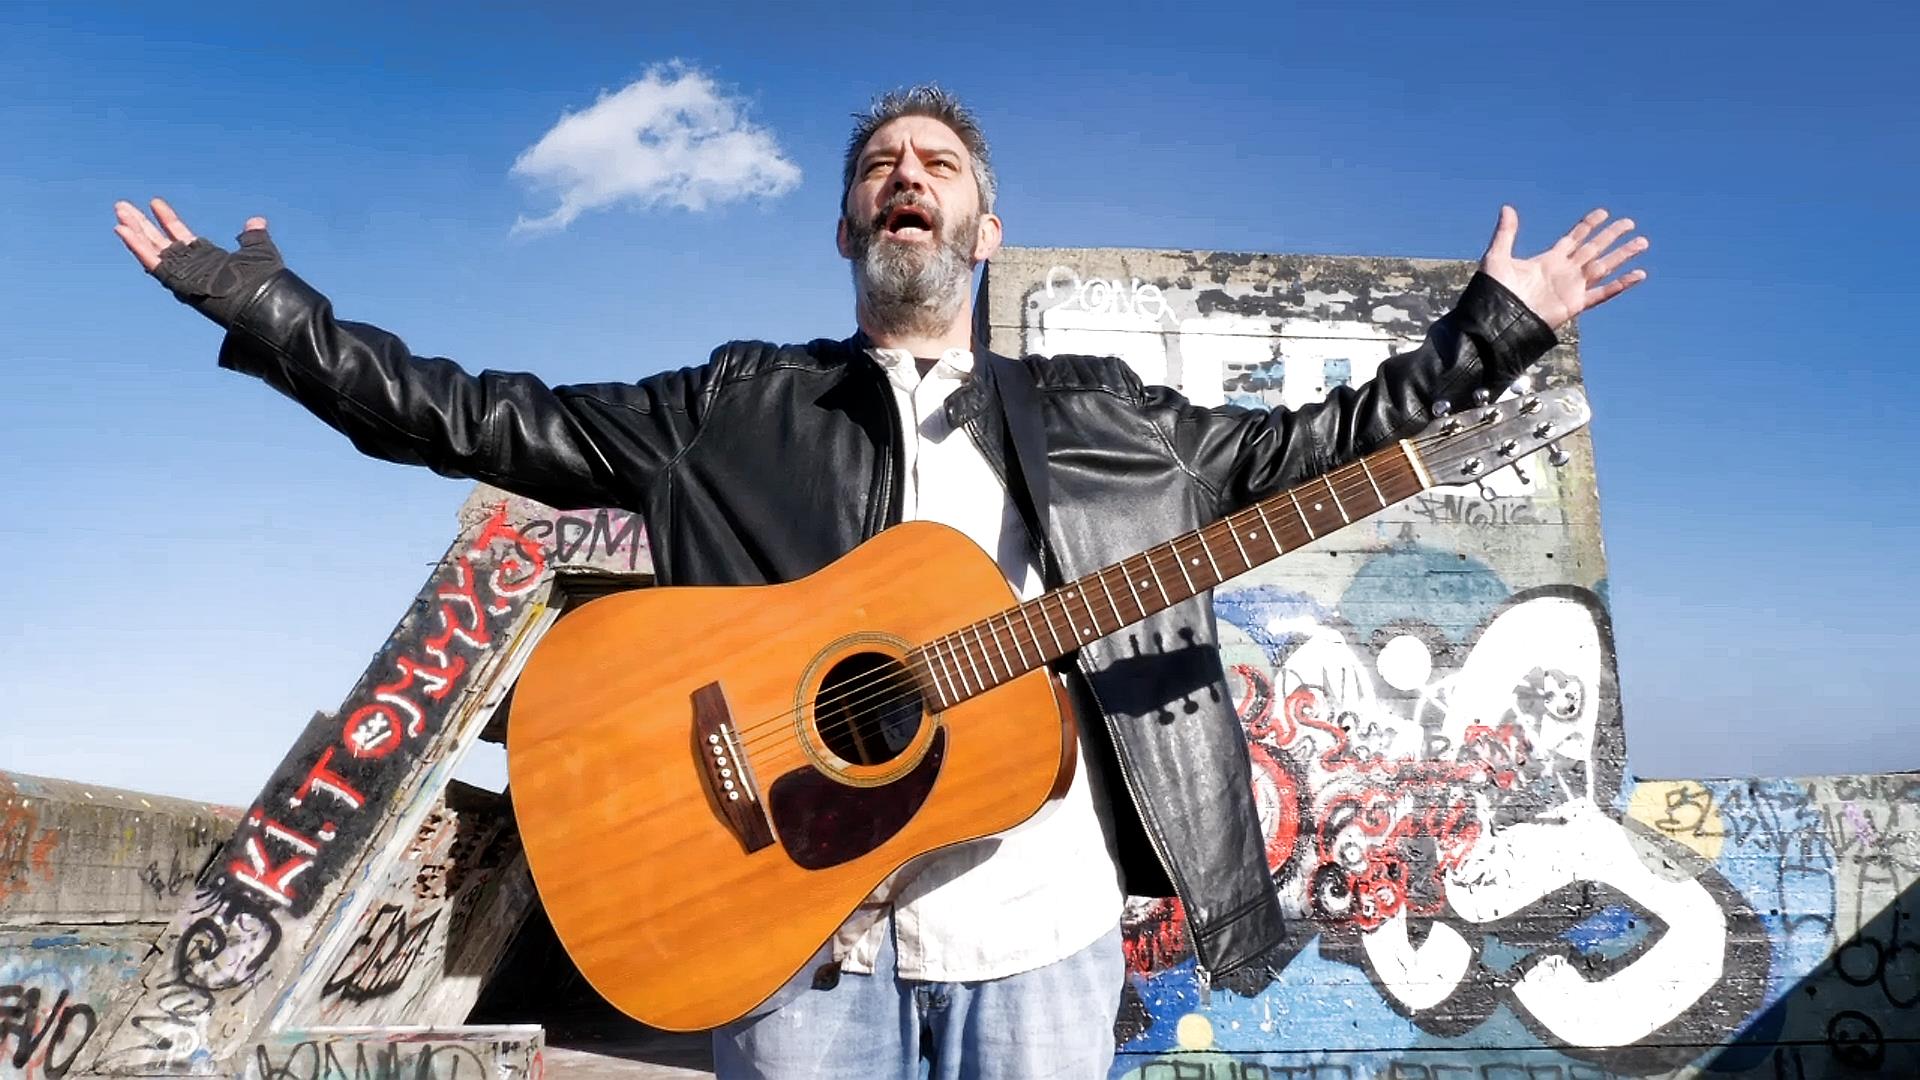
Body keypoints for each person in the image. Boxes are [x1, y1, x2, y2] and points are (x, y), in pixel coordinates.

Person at [114, 85, 1646, 1080]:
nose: (907, 177)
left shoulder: (1111, 420)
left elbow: (1317, 447)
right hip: (793, 942)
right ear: (847, 223)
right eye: (878, 167)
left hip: (1039, 937)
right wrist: (274, 315)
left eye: (939, 165)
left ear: (985, 227)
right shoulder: (734, 406)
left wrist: (1489, 335)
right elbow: (470, 414)